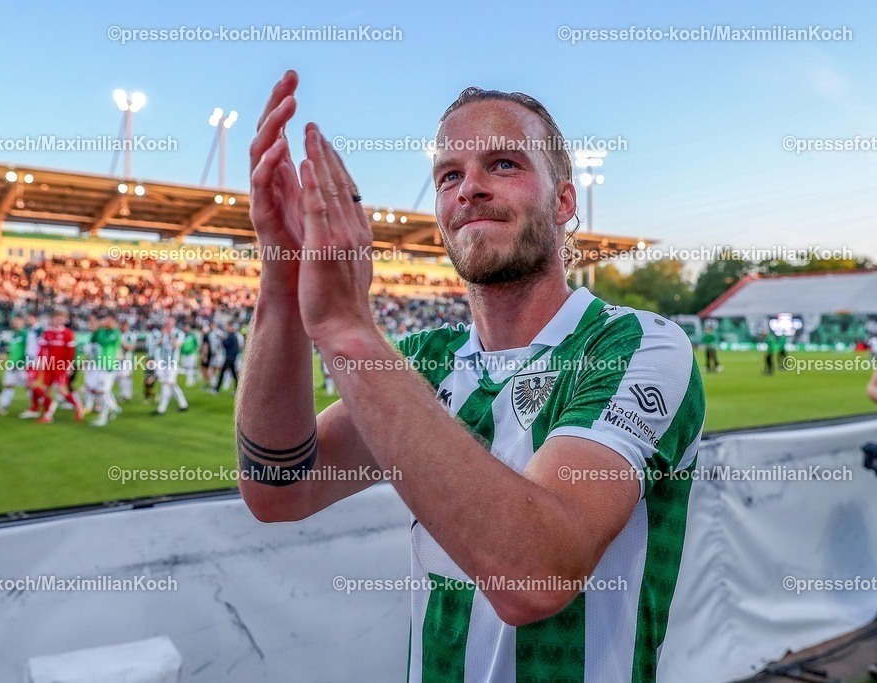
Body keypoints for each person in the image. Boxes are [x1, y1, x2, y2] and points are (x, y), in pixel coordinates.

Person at [237, 71, 705, 682]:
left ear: (565, 202)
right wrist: (281, 278)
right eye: (449, 174)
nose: (470, 189)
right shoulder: (424, 362)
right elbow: (280, 490)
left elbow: (534, 577)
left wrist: (350, 328)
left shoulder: (636, 344)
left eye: (504, 164)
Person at [36, 310, 84, 423]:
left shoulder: (68, 334)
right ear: (51, 319)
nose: (58, 320)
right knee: (45, 390)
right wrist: (40, 362)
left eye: (61, 318)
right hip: (48, 366)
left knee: (62, 389)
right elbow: (42, 350)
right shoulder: (47, 332)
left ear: (64, 320)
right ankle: (48, 416)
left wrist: (69, 366)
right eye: (56, 318)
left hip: (60, 366)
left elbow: (71, 352)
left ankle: (78, 406)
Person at [0, 316, 26, 416]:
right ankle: (2, 408)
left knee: (30, 386)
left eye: (18, 322)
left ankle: (37, 407)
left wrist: (21, 362)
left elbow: (28, 350)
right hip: (12, 365)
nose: (15, 324)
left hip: (22, 365)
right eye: (14, 322)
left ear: (22, 322)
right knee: (8, 385)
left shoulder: (25, 334)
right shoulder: (14, 334)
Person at [151, 317, 189, 415]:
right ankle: (183, 404)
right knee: (171, 384)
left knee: (166, 384)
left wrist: (170, 335)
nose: (167, 325)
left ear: (173, 323)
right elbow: (156, 345)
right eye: (166, 323)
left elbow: (176, 346)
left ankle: (161, 408)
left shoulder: (178, 333)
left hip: (173, 363)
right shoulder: (162, 333)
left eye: (169, 323)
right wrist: (163, 335)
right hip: (163, 362)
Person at [18, 313, 46, 419]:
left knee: (33, 384)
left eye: (29, 318)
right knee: (31, 386)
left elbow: (42, 347)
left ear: (35, 318)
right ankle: (35, 407)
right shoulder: (30, 330)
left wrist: (40, 361)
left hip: (36, 361)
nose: (27, 320)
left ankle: (46, 402)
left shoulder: (39, 330)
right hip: (30, 360)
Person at [212, 322, 243, 394]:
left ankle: (216, 389)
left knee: (223, 373)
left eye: (228, 327)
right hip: (231, 357)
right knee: (233, 374)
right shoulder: (233, 336)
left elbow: (226, 344)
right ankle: (237, 390)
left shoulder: (231, 336)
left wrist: (222, 339)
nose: (227, 328)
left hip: (230, 357)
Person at [116, 320, 137, 401]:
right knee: (119, 377)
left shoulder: (131, 335)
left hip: (127, 359)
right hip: (118, 359)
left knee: (125, 377)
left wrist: (123, 343)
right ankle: (124, 393)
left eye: (124, 326)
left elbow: (131, 347)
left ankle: (127, 394)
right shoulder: (118, 334)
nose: (122, 327)